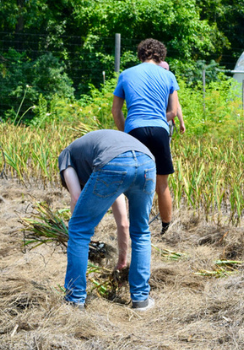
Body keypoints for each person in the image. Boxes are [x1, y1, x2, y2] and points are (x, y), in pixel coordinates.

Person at [58, 129, 156, 310]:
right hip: (147, 161)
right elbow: (124, 223)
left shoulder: (66, 156)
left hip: (114, 162)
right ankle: (141, 299)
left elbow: (76, 198)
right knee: (141, 231)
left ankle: (74, 298)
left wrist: (76, 227)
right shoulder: (97, 158)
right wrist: (122, 259)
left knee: (79, 230)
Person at [112, 38, 184, 235]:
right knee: (162, 184)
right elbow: (173, 110)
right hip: (160, 130)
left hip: (135, 130)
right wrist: (160, 120)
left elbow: (116, 110)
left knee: (133, 182)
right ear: (161, 55)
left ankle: (132, 228)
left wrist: (126, 131)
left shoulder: (126, 74)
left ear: (140, 54)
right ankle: (165, 229)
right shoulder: (167, 76)